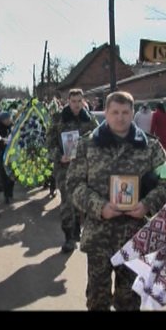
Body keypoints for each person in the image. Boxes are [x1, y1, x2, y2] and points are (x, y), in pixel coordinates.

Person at [67, 91, 166, 310]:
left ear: (132, 113)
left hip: (134, 238)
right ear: (105, 113)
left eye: (125, 112)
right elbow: (74, 184)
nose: (120, 117)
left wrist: (147, 204)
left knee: (129, 301)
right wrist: (100, 207)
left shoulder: (151, 147)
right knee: (97, 300)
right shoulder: (87, 145)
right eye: (115, 112)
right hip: (99, 235)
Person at [47, 89, 97, 253]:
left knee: (81, 201)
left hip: (84, 167)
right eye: (73, 101)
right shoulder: (58, 118)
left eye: (79, 101)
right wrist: (59, 156)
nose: (76, 105)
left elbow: (97, 140)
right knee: (68, 201)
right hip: (64, 168)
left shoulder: (89, 119)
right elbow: (49, 143)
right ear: (68, 101)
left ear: (83, 101)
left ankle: (77, 230)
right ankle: (69, 236)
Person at [0, 111, 15, 204]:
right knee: (4, 176)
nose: (7, 120)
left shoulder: (12, 127)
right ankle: (6, 195)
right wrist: (3, 142)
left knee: (12, 175)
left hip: (12, 154)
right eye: (5, 119)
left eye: (9, 118)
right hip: (2, 154)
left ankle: (10, 192)